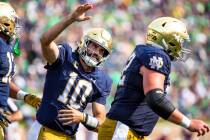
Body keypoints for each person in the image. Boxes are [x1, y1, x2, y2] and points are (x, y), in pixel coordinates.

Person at [98, 17, 210, 140]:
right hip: (123, 130)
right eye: (180, 40)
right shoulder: (156, 55)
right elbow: (155, 98)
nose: (181, 45)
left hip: (128, 130)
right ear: (169, 38)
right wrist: (188, 123)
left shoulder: (145, 52)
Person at [36, 3, 113, 140]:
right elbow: (45, 41)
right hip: (49, 132)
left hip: (71, 136)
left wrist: (83, 117)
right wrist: (71, 18)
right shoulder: (65, 55)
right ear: (84, 43)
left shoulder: (103, 80)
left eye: (101, 51)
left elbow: (101, 122)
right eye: (94, 46)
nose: (96, 52)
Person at [0, 2, 41, 139]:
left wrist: (25, 97)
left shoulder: (5, 46)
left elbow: (3, 82)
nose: (15, 26)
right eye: (12, 21)